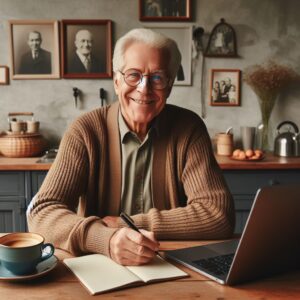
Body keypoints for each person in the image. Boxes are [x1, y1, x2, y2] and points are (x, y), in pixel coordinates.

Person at [27, 28, 234, 266]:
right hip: (99, 264)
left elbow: (218, 215)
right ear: (116, 81)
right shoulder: (85, 130)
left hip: (168, 264)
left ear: (169, 86)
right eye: (133, 75)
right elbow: (41, 213)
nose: (144, 88)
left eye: (157, 77)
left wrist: (126, 224)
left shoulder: (189, 128)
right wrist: (106, 238)